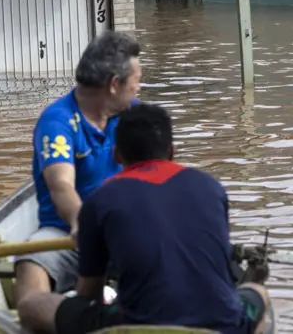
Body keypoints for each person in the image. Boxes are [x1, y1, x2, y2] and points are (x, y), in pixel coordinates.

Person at [17, 103, 275, 334]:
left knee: (32, 305)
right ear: (172, 152)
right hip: (224, 325)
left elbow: (89, 294)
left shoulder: (100, 200)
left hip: (133, 325)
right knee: (259, 294)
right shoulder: (212, 188)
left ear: (117, 155)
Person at [14, 30, 142, 305]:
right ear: (113, 84)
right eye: (136, 81)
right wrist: (83, 224)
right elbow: (61, 186)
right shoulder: (58, 121)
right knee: (30, 265)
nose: (138, 89)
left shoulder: (135, 115)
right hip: (67, 232)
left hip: (125, 229)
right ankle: (43, 318)